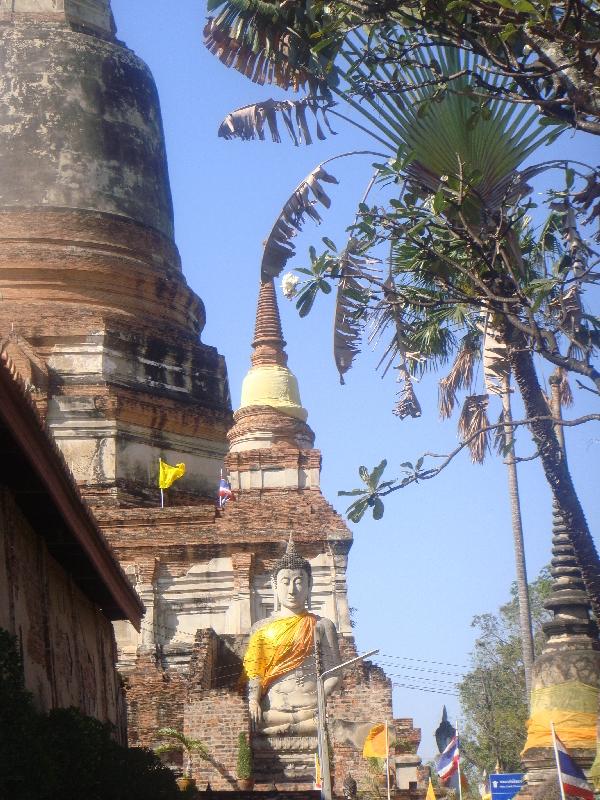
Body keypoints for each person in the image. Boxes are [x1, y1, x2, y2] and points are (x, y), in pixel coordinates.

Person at [242, 539, 341, 735]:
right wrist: (253, 701)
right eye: (285, 582)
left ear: (309, 584)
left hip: (311, 709)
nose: (291, 590)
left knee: (328, 725)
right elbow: (254, 673)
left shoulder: (322, 625)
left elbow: (335, 674)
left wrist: (320, 696)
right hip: (273, 711)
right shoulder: (261, 629)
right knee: (255, 724)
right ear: (274, 585)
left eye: (298, 582)